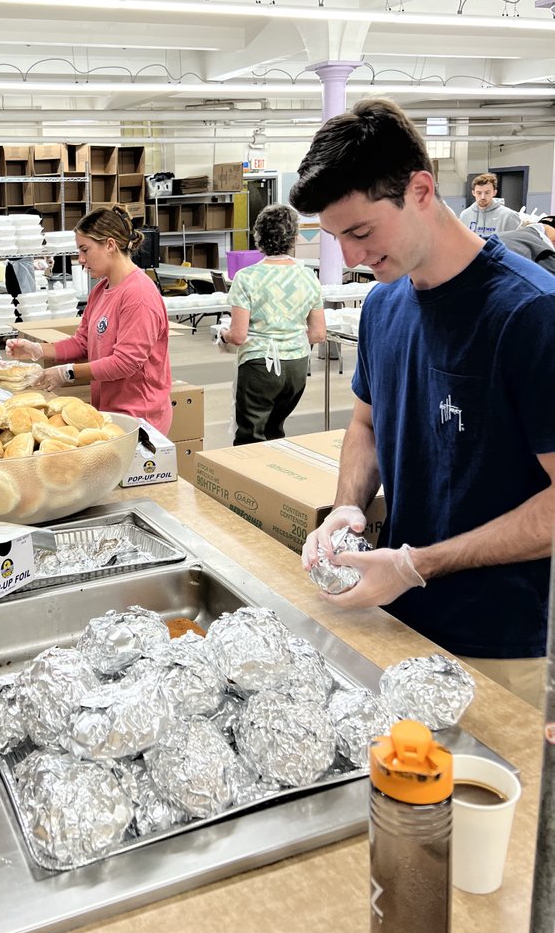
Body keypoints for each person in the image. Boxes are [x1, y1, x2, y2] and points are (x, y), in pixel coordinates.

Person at [289, 97, 555, 709]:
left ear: (421, 190)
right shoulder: (384, 306)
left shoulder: (529, 314)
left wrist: (417, 565)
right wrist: (347, 507)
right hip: (401, 620)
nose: (350, 258)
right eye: (335, 238)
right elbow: (366, 423)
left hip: (502, 645)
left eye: (361, 232)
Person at [6, 204, 173, 433]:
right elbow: (82, 342)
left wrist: (67, 373)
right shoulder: (101, 290)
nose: (81, 259)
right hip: (111, 412)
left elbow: (125, 363)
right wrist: (37, 350)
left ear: (110, 245)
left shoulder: (139, 295)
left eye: (85, 250)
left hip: (140, 417)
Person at [220, 204, 326, 444]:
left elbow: (238, 336)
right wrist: (288, 338)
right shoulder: (308, 276)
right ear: (294, 237)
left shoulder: (247, 278)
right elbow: (319, 333)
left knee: (251, 439)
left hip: (260, 366)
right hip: (297, 367)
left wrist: (224, 334)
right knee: (274, 432)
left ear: (258, 236)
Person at [459, 172, 520, 238]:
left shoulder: (509, 217)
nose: (482, 197)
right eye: (479, 193)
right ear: (473, 193)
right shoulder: (465, 215)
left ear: (494, 192)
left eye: (487, 193)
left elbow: (516, 242)